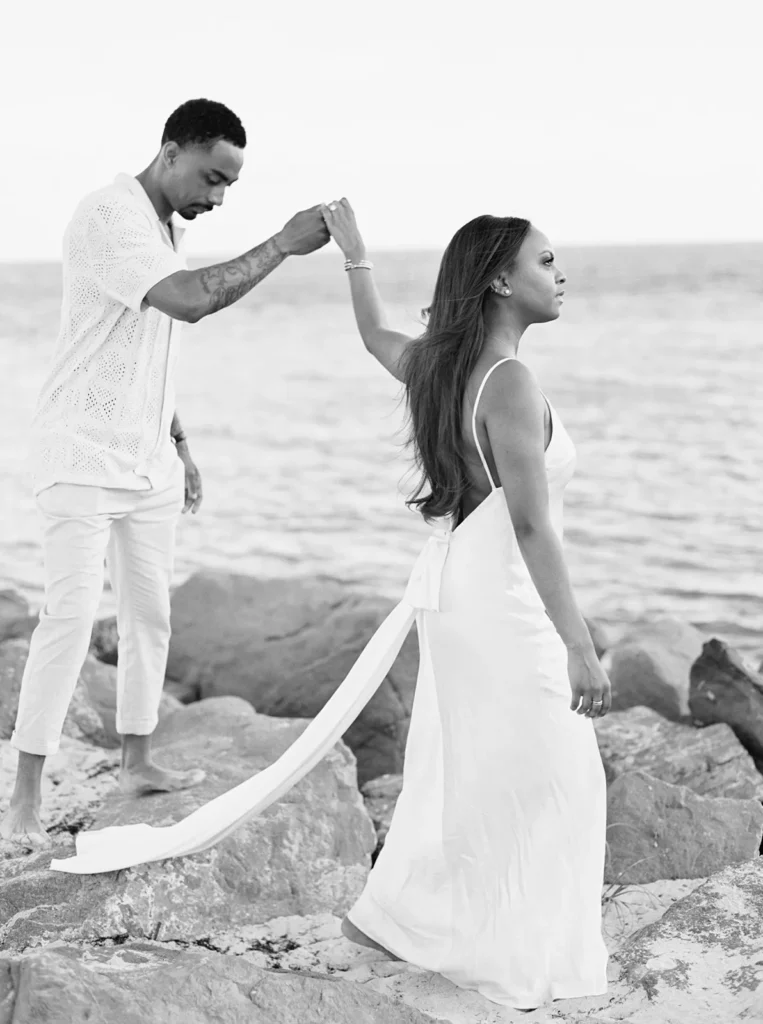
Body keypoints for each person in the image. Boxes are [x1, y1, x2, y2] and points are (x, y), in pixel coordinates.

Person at [0, 98, 330, 845]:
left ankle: (136, 761)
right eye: (211, 178)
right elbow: (186, 303)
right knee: (71, 619)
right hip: (81, 453)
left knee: (151, 616)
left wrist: (179, 442)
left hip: (147, 459)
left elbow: (145, 346)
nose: (215, 199)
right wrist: (281, 243)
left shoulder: (167, 228)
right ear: (172, 150)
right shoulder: (108, 217)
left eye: (228, 188)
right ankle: (22, 798)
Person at [317, 199, 612, 1010]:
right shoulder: (508, 380)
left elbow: (376, 339)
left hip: (456, 594)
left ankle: (397, 920)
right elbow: (528, 521)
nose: (559, 275)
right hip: (498, 599)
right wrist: (578, 643)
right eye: (544, 262)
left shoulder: (444, 369)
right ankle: (505, 950)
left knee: (463, 767)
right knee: (561, 777)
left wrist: (354, 258)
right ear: (499, 281)